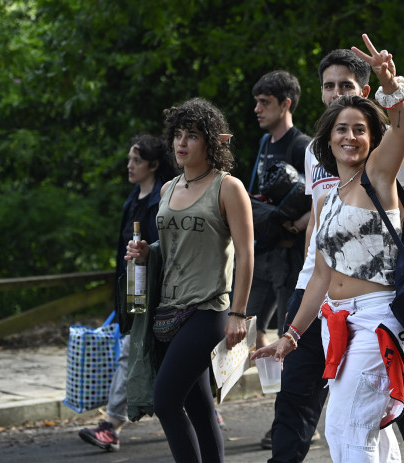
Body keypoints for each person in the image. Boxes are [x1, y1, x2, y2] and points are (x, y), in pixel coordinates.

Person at [263, 48, 404, 463]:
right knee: (363, 431)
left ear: (371, 138)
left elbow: (401, 127)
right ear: (328, 139)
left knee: (348, 431)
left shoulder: (378, 179)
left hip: (378, 316)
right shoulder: (330, 200)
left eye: (360, 130)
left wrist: (387, 85)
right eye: (341, 130)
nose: (350, 137)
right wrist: (291, 335)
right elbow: (319, 279)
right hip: (336, 320)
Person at [125, 97, 253, 462]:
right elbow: (170, 246)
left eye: (192, 135)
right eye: (178, 135)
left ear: (211, 141)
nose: (181, 143)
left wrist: (238, 313)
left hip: (208, 309)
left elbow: (246, 253)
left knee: (165, 401)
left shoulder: (228, 188)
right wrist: (147, 252)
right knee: (199, 410)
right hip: (168, 310)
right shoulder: (168, 189)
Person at [78, 133, 177, 452]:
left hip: (159, 292)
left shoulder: (164, 199)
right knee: (131, 352)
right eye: (129, 159)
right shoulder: (132, 200)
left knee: (146, 353)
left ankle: (112, 424)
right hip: (132, 292)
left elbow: (169, 250)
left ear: (153, 164)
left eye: (136, 160)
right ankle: (113, 423)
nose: (130, 165)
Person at [247, 70, 311, 348]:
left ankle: (288, 389)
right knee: (249, 325)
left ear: (286, 104)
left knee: (291, 333)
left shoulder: (303, 147)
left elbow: (328, 198)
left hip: (291, 258)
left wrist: (298, 224)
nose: (257, 109)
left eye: (265, 102)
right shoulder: (264, 143)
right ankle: (272, 385)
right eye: (256, 102)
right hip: (264, 252)